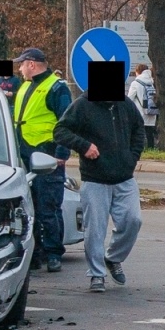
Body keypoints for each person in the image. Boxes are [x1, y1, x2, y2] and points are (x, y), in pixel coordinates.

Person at [55, 83, 145, 292]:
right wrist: (84, 146)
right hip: (95, 178)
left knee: (133, 220)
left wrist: (132, 158)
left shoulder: (125, 104)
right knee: (95, 230)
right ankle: (97, 274)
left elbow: (138, 129)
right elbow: (60, 131)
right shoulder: (83, 105)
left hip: (124, 177)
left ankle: (113, 257)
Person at [11, 48, 71, 273]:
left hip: (47, 153)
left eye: (21, 64)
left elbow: (67, 122)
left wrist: (61, 153)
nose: (19, 68)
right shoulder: (25, 86)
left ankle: (53, 253)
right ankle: (34, 254)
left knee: (48, 207)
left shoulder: (56, 87)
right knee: (29, 208)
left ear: (32, 64)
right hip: (24, 154)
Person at [126, 63, 158, 132]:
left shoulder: (135, 83)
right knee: (150, 135)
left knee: (140, 135)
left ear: (138, 72)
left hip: (140, 115)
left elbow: (129, 99)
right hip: (152, 114)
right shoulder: (152, 82)